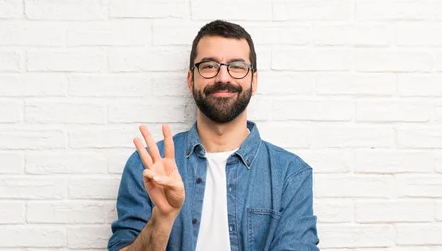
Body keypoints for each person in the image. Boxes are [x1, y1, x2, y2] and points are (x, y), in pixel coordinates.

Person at [107, 20, 320, 251]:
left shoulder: (290, 174)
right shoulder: (147, 166)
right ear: (191, 80)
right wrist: (163, 217)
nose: (223, 77)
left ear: (254, 81)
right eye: (209, 66)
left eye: (237, 66)